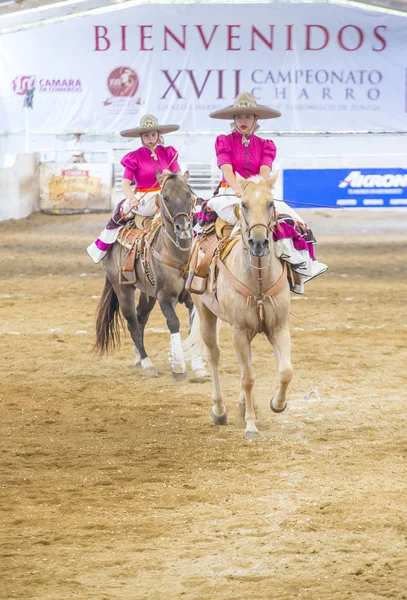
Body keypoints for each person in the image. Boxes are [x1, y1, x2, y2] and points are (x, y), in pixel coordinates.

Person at [195, 92, 327, 293]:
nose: (243, 121)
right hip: (230, 191)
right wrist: (240, 189)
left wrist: (257, 188)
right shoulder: (225, 141)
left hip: (257, 191)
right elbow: (227, 169)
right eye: (239, 117)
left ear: (255, 119)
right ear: (234, 119)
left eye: (248, 116)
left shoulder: (266, 145)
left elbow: (264, 171)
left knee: (289, 218)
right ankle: (204, 269)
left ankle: (300, 267)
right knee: (236, 221)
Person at [87, 114, 180, 264]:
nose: (150, 138)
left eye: (153, 134)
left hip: (167, 195)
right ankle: (104, 246)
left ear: (158, 135)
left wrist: (170, 176)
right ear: (141, 137)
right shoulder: (135, 157)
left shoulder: (169, 152)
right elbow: (125, 184)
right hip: (144, 199)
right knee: (120, 212)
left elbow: (179, 177)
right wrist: (132, 198)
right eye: (146, 135)